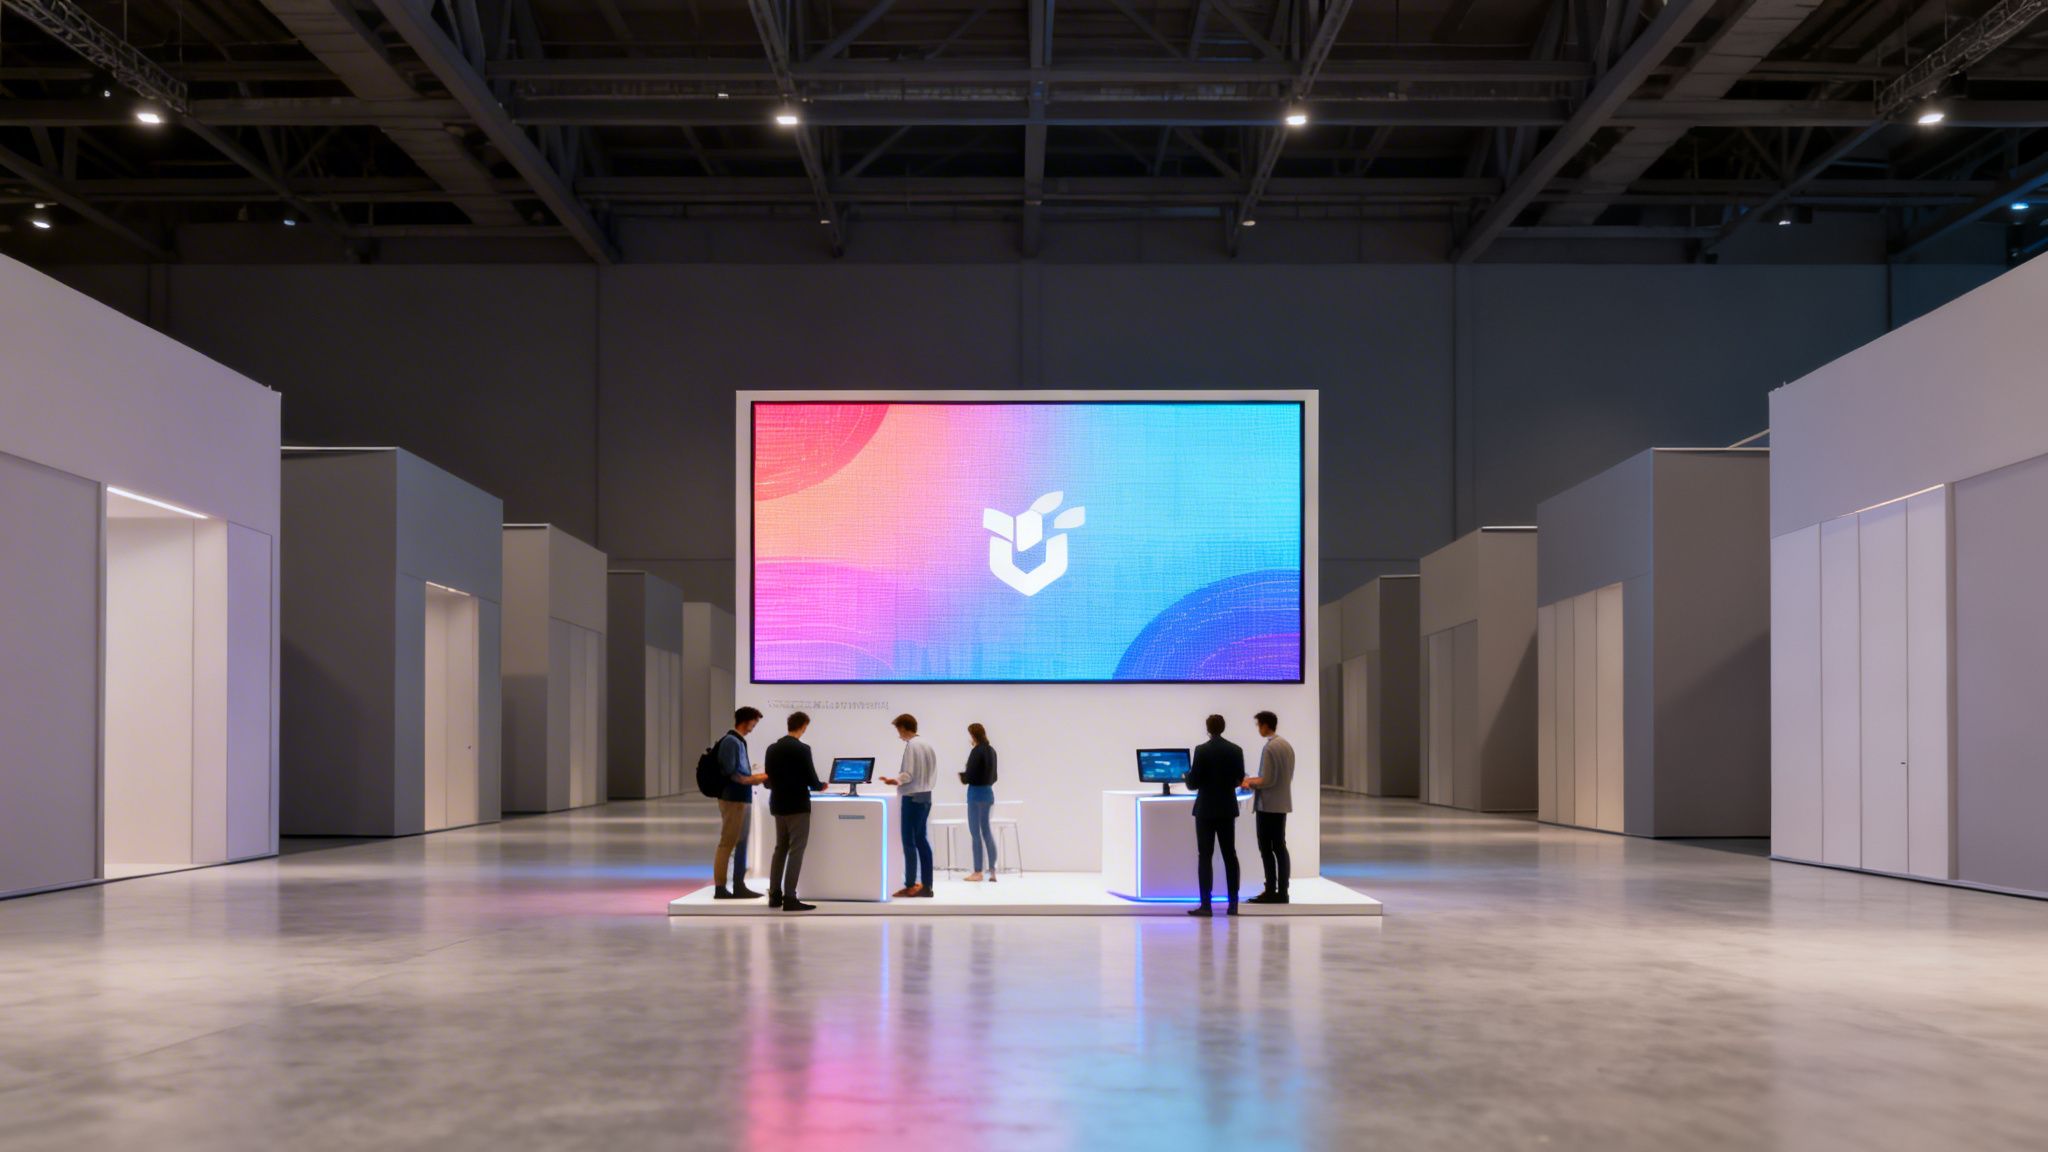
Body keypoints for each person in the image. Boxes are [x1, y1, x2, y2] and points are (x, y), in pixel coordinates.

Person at [1182, 713, 1246, 917]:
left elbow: (1193, 784)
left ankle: (1206, 905)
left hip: (1206, 810)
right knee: (1230, 856)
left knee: (1205, 857)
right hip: (1227, 809)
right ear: (1224, 727)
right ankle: (1233, 904)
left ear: (1208, 729)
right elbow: (1238, 780)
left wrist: (1186, 776)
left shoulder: (1202, 750)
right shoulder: (1236, 750)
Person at [764, 711, 827, 913]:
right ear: (803, 726)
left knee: (780, 848)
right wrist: (821, 785)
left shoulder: (772, 749)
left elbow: (768, 780)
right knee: (796, 850)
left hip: (778, 804)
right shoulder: (802, 749)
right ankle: (790, 898)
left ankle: (774, 896)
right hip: (797, 805)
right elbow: (812, 779)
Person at [713, 706, 768, 900]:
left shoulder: (737, 741)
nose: (754, 727)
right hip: (733, 799)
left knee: (742, 842)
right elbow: (733, 774)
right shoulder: (731, 741)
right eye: (754, 722)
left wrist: (754, 778)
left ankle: (738, 885)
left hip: (741, 799)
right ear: (747, 721)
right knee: (728, 843)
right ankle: (720, 888)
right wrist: (757, 778)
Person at [880, 713, 936, 898]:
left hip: (912, 797)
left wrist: (894, 780)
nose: (899, 735)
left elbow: (908, 774)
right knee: (922, 840)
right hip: (926, 796)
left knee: (909, 842)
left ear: (904, 727)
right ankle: (927, 885)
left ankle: (911, 884)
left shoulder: (912, 746)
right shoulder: (927, 745)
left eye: (899, 730)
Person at [1242, 710, 1295, 905]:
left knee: (1266, 848)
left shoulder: (1270, 748)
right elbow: (1282, 777)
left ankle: (1271, 890)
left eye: (1258, 725)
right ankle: (1283, 890)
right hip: (1282, 803)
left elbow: (1268, 779)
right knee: (1280, 847)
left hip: (1268, 805)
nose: (1258, 729)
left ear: (1265, 725)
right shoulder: (1286, 745)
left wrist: (1250, 783)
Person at [961, 723, 999, 882]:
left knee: (975, 834)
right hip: (988, 793)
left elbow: (968, 776)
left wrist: (963, 776)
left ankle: (977, 871)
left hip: (975, 795)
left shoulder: (976, 751)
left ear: (973, 735)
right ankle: (992, 870)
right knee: (987, 832)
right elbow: (995, 777)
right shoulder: (992, 751)